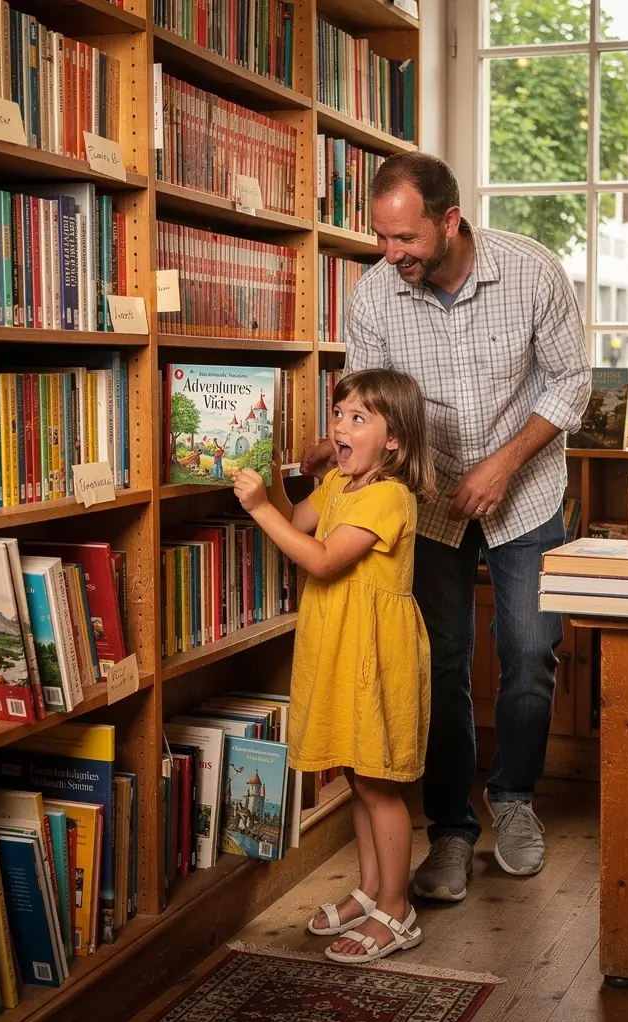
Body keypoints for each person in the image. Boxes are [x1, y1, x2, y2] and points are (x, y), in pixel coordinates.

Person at [301, 152, 590, 902]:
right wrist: (332, 452)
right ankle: (450, 831)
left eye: (405, 240)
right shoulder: (375, 294)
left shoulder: (532, 272)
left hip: (525, 493)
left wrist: (502, 464)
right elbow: (367, 400)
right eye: (382, 239)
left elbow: (571, 382)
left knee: (529, 651)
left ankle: (516, 798)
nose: (390, 255)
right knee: (437, 663)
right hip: (422, 506)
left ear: (450, 221)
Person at [232, 368, 436, 964]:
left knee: (379, 783)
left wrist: (256, 508)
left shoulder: (388, 495)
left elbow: (320, 560)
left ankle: (397, 909)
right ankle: (372, 891)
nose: (339, 427)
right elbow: (297, 521)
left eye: (357, 418)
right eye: (338, 413)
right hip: (339, 646)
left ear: (393, 439)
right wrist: (263, 476)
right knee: (355, 772)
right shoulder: (342, 485)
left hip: (375, 653)